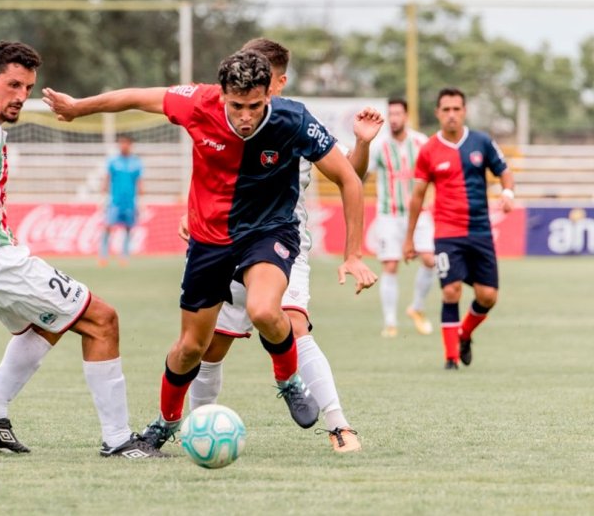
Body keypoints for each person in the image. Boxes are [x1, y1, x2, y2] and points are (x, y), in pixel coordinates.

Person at [43, 49, 378, 451]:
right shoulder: (195, 102)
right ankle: (165, 425)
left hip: (269, 232)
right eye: (237, 106)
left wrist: (353, 254)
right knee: (191, 348)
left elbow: (349, 179)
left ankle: (288, 380)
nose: (247, 116)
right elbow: (135, 96)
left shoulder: (294, 119)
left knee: (266, 310)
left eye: (256, 106)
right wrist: (79, 108)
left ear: (268, 95)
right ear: (221, 95)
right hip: (209, 241)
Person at [0, 40, 165, 458]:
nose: (20, 97)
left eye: (27, 88)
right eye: (13, 85)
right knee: (102, 320)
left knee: (46, 322)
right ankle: (120, 441)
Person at [182, 38, 383, 453]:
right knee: (210, 345)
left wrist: (362, 144)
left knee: (292, 324)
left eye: (264, 81)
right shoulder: (231, 113)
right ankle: (197, 428)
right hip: (224, 245)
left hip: (281, 244)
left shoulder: (294, 121)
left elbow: (348, 174)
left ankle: (339, 425)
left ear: (279, 81)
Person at [404, 87, 515, 370]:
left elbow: (504, 171)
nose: (451, 115)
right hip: (447, 232)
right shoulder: (429, 149)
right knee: (451, 290)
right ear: (438, 113)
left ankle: (464, 334)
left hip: (480, 230)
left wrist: (508, 193)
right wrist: (409, 238)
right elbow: (417, 196)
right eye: (446, 110)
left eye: (456, 109)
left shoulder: (481, 142)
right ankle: (451, 357)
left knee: (488, 296)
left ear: (464, 112)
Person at [369, 98, 435, 338]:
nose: (394, 118)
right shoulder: (379, 147)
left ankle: (416, 307)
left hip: (419, 214)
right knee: (390, 265)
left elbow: (435, 174)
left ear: (406, 116)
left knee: (430, 260)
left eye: (398, 114)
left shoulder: (421, 143)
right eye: (391, 114)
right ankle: (390, 323)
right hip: (389, 214)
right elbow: (362, 174)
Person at [99, 134, 143, 266]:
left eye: (126, 143)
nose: (123, 145)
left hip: (130, 201)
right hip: (115, 201)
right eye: (121, 143)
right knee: (107, 226)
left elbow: (139, 180)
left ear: (130, 145)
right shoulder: (113, 161)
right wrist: (104, 189)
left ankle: (124, 256)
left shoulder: (136, 162)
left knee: (128, 228)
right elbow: (108, 177)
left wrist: (141, 195)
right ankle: (103, 255)